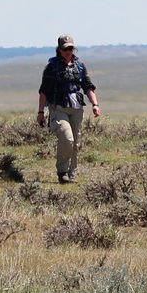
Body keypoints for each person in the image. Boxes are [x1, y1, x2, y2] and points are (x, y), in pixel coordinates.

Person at [37, 34, 100, 183]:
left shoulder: (79, 65)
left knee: (75, 143)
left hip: (76, 107)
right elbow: (43, 91)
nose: (68, 51)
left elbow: (88, 86)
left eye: (71, 48)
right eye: (65, 48)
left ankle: (72, 174)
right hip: (58, 108)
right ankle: (62, 171)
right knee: (67, 138)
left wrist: (95, 104)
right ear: (59, 49)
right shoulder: (52, 67)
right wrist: (40, 112)